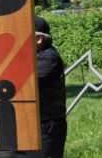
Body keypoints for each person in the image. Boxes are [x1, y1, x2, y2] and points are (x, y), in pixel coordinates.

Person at [35, 16, 67, 158]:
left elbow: (28, 81)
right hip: (40, 123)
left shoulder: (49, 58)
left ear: (39, 39)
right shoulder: (38, 55)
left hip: (48, 125)